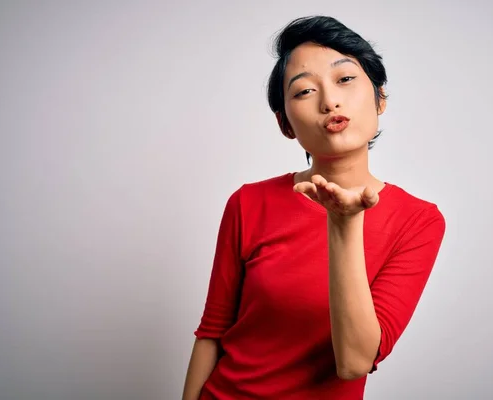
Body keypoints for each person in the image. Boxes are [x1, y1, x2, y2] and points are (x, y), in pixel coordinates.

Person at [182, 15, 446, 400]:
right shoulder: (248, 202)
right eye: (304, 91)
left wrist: (344, 223)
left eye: (345, 80)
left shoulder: (418, 221)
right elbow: (212, 333)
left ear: (380, 98)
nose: (330, 101)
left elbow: (354, 362)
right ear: (285, 124)